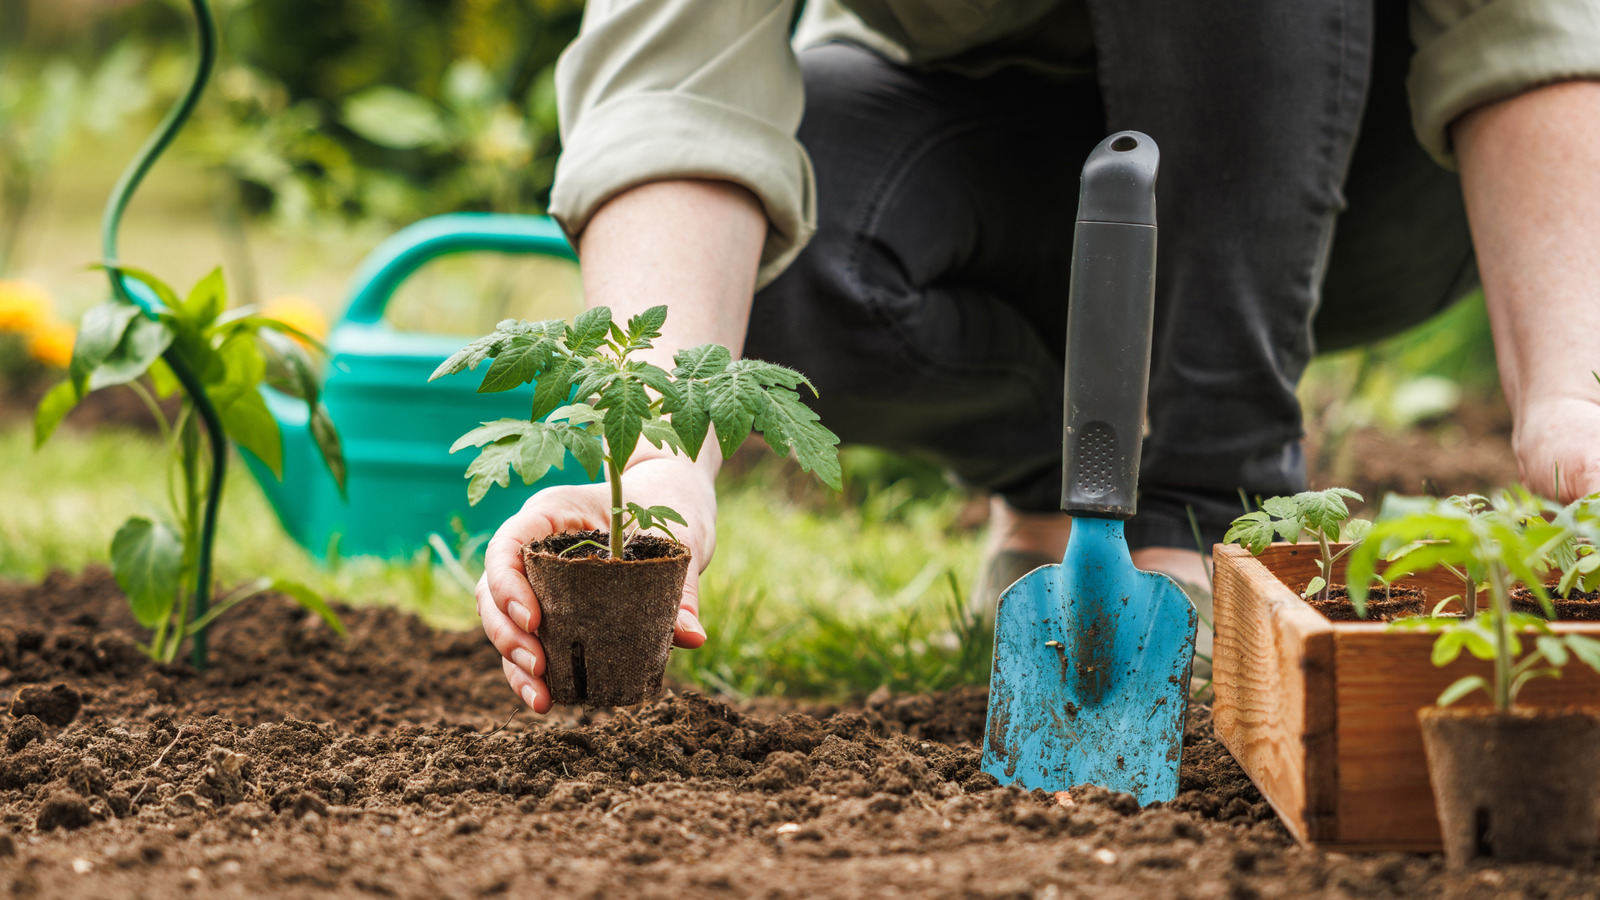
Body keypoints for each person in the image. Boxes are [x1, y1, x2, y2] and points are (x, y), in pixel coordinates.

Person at [476, 0, 1600, 714]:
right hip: (995, 144)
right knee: (805, 261)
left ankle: (1203, 509)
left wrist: (1570, 395)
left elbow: (1532, 32)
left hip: (1366, 172)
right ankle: (1074, 502)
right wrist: (669, 463)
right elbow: (675, 85)